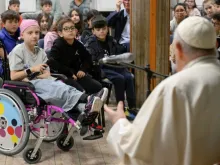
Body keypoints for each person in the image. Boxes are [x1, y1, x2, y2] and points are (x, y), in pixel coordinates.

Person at [105, 16, 220, 165]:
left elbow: (141, 154)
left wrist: (119, 122)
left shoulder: (175, 88)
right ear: (215, 44)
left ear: (177, 48)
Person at [8, 19, 108, 135]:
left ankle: (83, 110)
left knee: (64, 87)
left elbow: (47, 74)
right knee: (60, 89)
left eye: (36, 32)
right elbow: (13, 76)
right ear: (22, 35)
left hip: (43, 82)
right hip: (27, 86)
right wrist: (32, 70)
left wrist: (37, 75)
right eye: (30, 33)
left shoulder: (40, 52)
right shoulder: (17, 51)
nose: (34, 36)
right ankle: (87, 100)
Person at [85, 15, 137, 118]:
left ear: (107, 29)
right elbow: (93, 61)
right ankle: (120, 109)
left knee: (129, 77)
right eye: (98, 29)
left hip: (115, 67)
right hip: (101, 69)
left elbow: (119, 52)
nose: (101, 31)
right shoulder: (91, 43)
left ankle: (132, 108)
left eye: (104, 29)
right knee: (120, 79)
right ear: (93, 31)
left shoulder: (111, 40)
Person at [48, 18, 102, 94]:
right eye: (66, 29)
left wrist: (83, 69)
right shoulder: (58, 45)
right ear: (60, 33)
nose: (70, 30)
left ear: (76, 31)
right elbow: (52, 62)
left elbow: (88, 57)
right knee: (81, 91)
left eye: (72, 28)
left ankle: (92, 102)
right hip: (62, 75)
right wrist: (69, 72)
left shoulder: (77, 44)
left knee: (97, 87)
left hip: (76, 74)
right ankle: (87, 102)